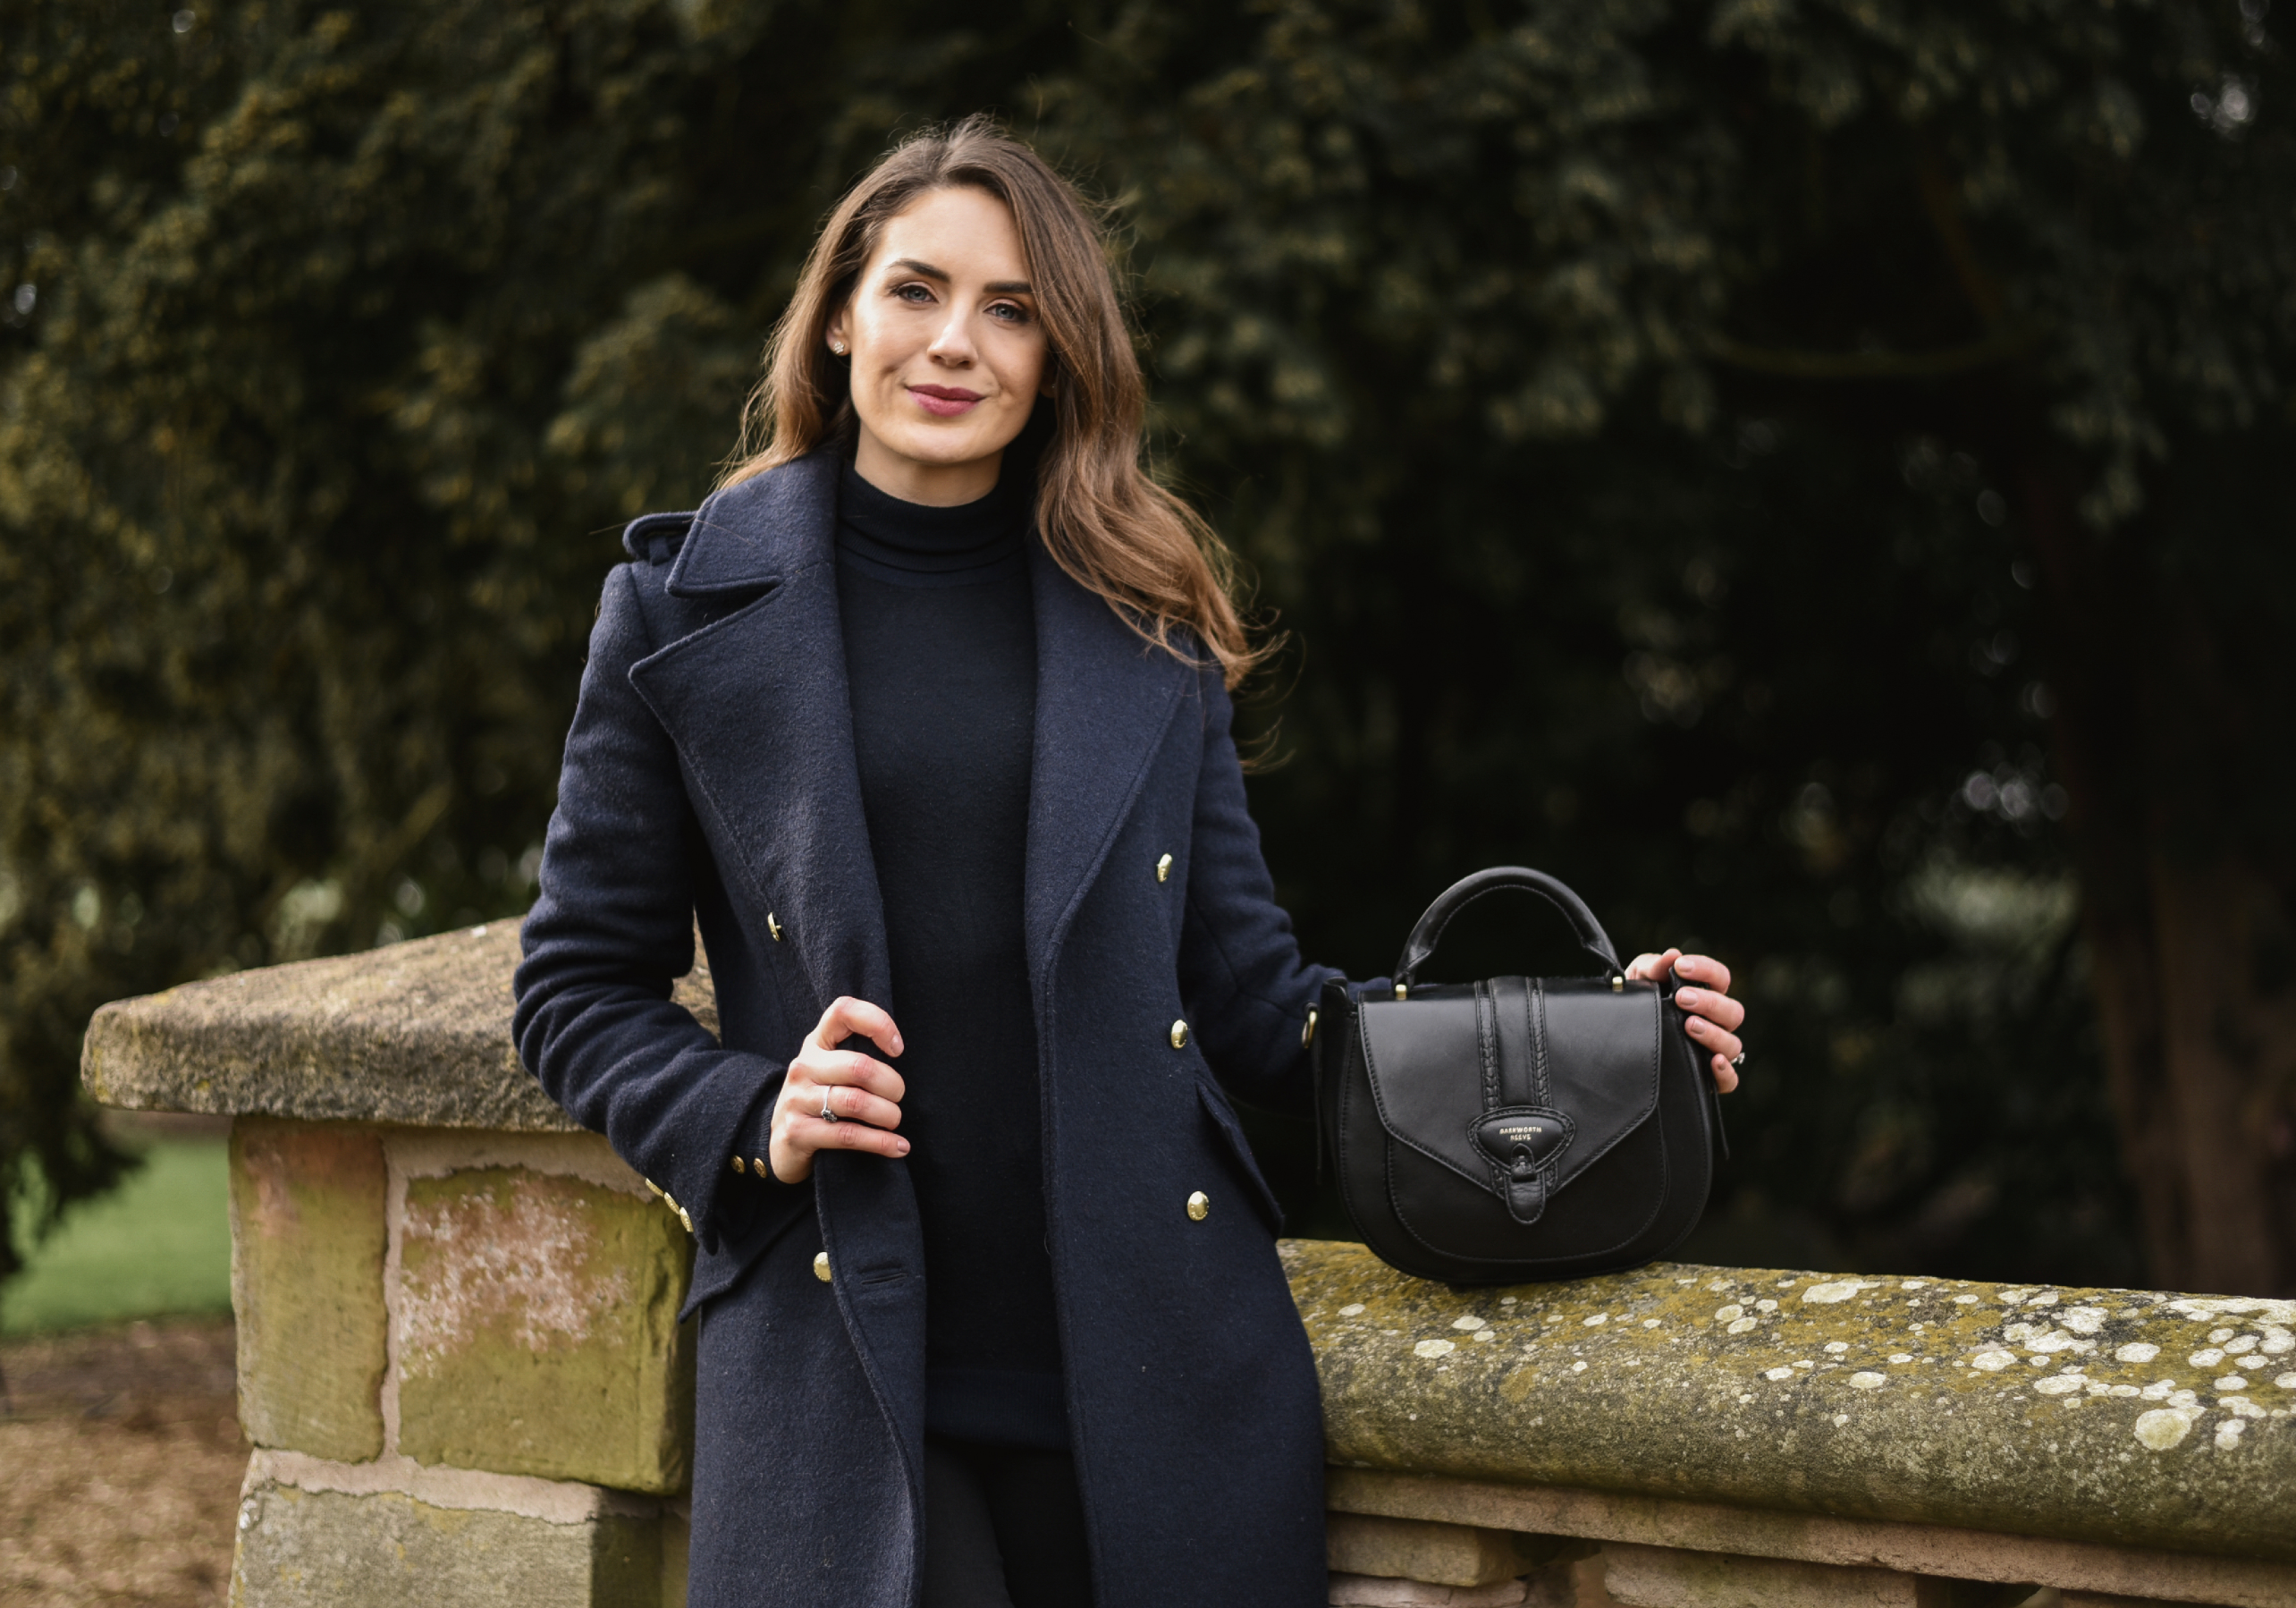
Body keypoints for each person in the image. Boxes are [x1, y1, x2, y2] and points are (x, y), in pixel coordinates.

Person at [511, 116, 1748, 1608]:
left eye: (1012, 309)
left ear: (1058, 357)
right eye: (915, 290)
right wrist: (749, 1111)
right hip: (840, 1363)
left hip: (1157, 1382)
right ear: (839, 315)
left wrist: (1593, 1043)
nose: (954, 342)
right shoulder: (678, 608)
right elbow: (574, 987)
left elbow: (1254, 1005)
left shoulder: (1143, 622)